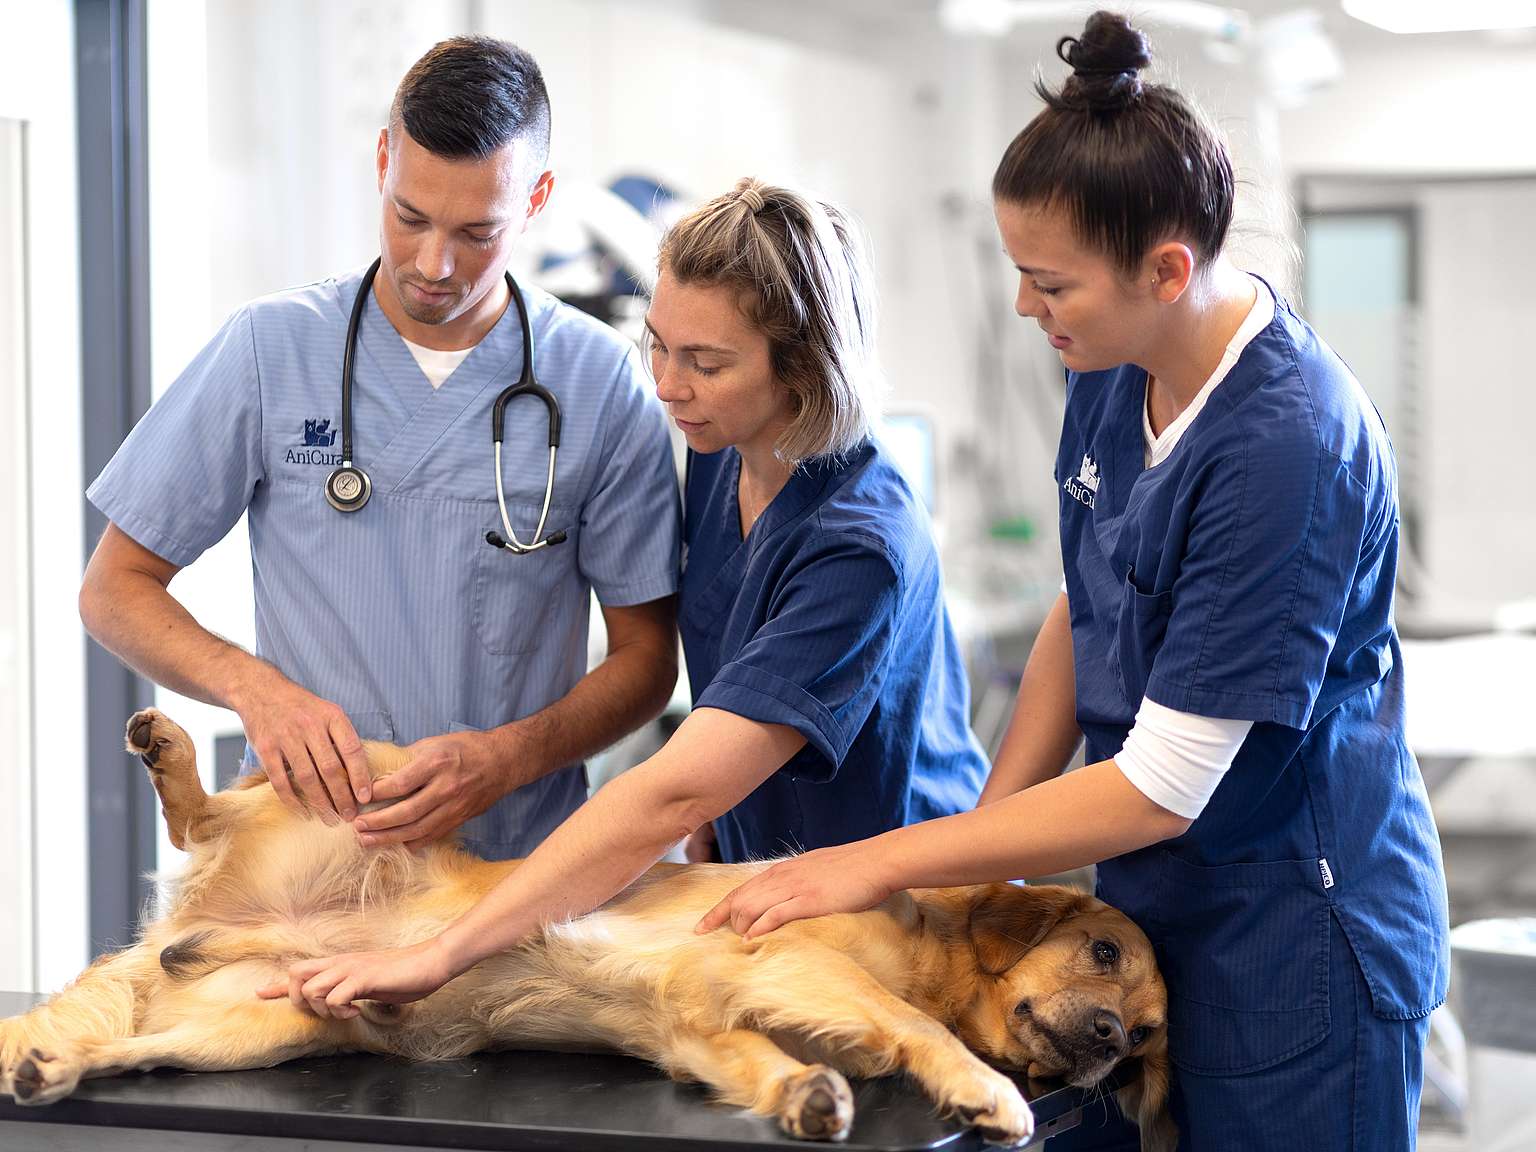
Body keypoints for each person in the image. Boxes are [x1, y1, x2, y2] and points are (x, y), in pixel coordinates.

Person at [698, 14, 1449, 1151]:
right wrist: (988, 843)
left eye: (1050, 283)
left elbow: (1160, 785)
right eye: (1019, 275)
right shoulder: (1117, 362)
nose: (1025, 309)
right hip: (1154, 909)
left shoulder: (1288, 447)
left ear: (1167, 268)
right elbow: (1086, 602)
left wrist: (873, 864)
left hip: (1297, 931)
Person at [258, 178, 989, 1013]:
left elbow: (677, 786)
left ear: (803, 370)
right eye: (659, 347)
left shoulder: (856, 547)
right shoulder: (722, 447)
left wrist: (441, 954)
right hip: (768, 894)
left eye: (707, 363)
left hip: (903, 923)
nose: (669, 385)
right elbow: (729, 687)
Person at [79, 37, 681, 861]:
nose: (435, 264)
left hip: (509, 875)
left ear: (536, 197)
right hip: (300, 866)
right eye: (410, 217)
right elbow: (115, 590)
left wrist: (513, 759)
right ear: (382, 162)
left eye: (477, 232)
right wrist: (255, 691)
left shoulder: (601, 382)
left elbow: (648, 661)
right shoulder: (271, 350)